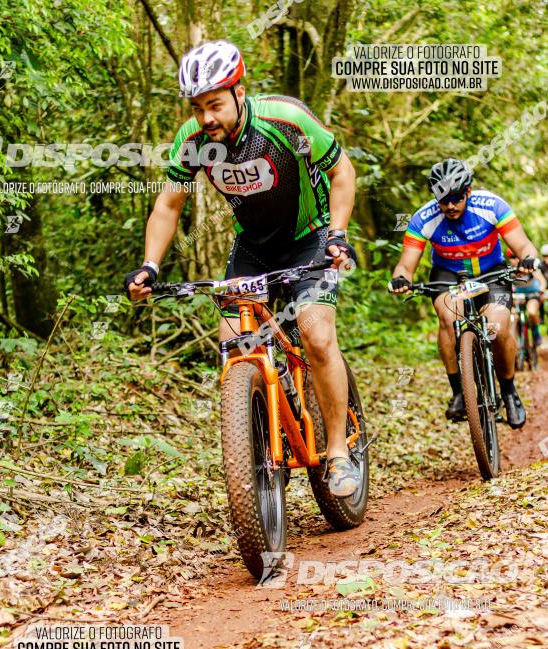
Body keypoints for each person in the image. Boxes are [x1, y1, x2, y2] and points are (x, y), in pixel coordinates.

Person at [124, 40, 360, 496]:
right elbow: (168, 205)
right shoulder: (192, 142)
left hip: (309, 241)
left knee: (316, 336)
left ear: (239, 92)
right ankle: (258, 447)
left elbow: (342, 172)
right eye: (197, 107)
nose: (206, 117)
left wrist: (337, 234)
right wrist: (151, 265)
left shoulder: (285, 119)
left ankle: (337, 454)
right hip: (253, 248)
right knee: (235, 351)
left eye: (214, 104)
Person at [389, 158, 540, 429]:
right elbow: (406, 263)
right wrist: (401, 278)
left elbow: (523, 245)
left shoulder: (492, 206)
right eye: (442, 199)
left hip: (491, 273)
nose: (449, 205)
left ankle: (508, 391)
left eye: (456, 198)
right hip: (449, 277)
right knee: (448, 319)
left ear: (468, 191)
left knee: (498, 325)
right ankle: (459, 392)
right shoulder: (424, 218)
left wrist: (528, 259)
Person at [506, 248, 545, 347]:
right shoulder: (508, 271)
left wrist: (540, 290)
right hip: (517, 299)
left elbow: (542, 282)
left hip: (532, 296)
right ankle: (517, 341)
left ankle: (536, 334)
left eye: (517, 257)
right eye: (513, 257)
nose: (516, 260)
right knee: (512, 317)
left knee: (531, 312)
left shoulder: (529, 267)